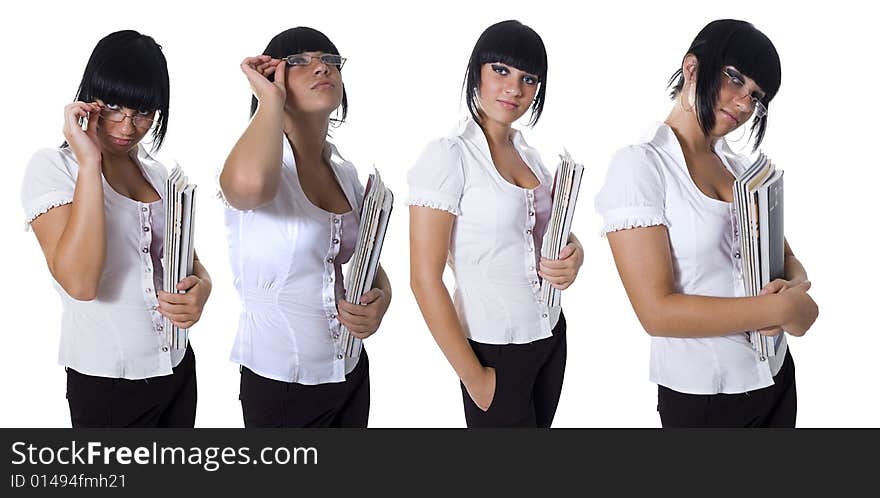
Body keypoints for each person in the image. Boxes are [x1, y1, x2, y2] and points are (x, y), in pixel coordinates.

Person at [595, 19, 819, 427]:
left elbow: (784, 257)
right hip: (705, 398)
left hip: (776, 377)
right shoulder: (640, 167)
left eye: (756, 96)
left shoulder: (741, 171)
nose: (743, 103)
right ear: (692, 68)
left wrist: (796, 287)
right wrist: (776, 308)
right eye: (734, 79)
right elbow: (656, 312)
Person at [20, 30, 211, 427]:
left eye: (143, 112)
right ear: (90, 97)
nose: (127, 126)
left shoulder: (160, 177)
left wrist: (203, 288)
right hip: (107, 382)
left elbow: (187, 261)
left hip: (177, 369)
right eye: (113, 107)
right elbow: (80, 283)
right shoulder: (55, 169)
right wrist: (89, 162)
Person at [408, 20, 583, 428]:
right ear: (477, 72)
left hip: (550, 334)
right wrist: (475, 379)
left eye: (528, 78)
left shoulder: (530, 155)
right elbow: (424, 278)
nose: (514, 89)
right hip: (493, 349)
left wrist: (575, 254)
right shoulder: (448, 156)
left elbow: (545, 232)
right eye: (500, 70)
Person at [220, 27, 391, 428]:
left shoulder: (345, 174)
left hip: (349, 370)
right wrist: (270, 101)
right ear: (272, 78)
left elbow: (366, 260)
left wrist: (381, 298)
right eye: (299, 62)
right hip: (282, 385)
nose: (321, 68)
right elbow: (247, 187)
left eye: (329, 61)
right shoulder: (262, 166)